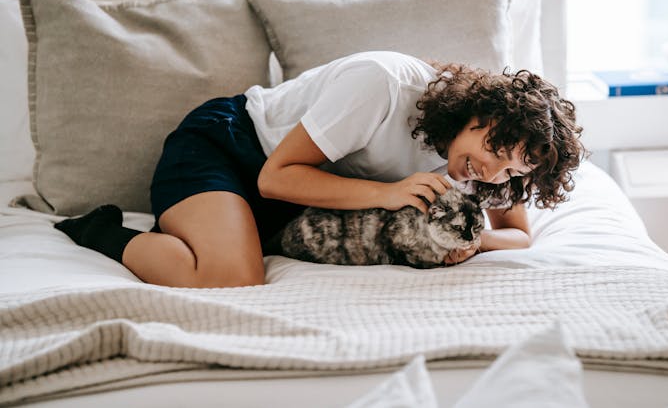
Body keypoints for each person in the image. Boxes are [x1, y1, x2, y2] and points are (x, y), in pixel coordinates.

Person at [54, 51, 585, 288]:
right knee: (230, 276)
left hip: (303, 200)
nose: (491, 174)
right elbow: (274, 178)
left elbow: (517, 237)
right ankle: (100, 231)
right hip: (234, 149)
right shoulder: (384, 84)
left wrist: (465, 243)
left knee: (235, 258)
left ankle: (205, 231)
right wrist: (392, 193)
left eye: (514, 173)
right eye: (498, 149)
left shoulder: (490, 167)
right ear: (482, 110)